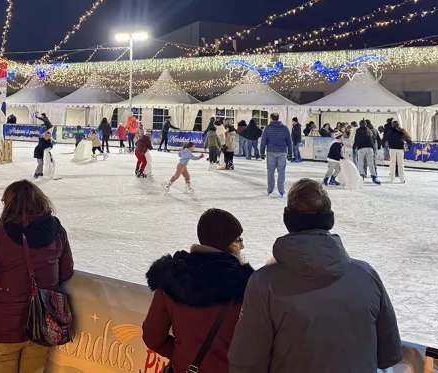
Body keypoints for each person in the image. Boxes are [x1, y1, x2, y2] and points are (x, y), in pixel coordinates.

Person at [228, 178, 402, 373]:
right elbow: (390, 354)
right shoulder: (367, 276)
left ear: (289, 219)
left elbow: (246, 363)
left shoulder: (264, 284)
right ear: (329, 219)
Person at [0, 180, 74, 373]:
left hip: (3, 328)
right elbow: (66, 271)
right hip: (42, 326)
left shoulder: (0, 237)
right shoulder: (57, 232)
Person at [143, 208, 254, 373]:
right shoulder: (245, 284)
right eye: (238, 240)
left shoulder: (171, 277)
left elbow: (152, 337)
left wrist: (182, 355)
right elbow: (256, 346)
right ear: (226, 243)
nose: (242, 246)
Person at [260, 113, 292, 197]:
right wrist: (290, 154)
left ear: (271, 118)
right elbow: (289, 142)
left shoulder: (267, 128)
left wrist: (262, 152)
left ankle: (270, 190)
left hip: (271, 152)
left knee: (270, 171)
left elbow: (263, 141)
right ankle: (281, 190)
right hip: (282, 152)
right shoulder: (285, 128)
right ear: (278, 118)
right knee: (281, 171)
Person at [353, 120, 380, 184]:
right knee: (371, 163)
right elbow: (372, 140)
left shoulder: (358, 130)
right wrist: (373, 148)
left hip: (361, 148)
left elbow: (356, 140)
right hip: (369, 148)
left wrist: (354, 148)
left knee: (360, 163)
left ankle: (362, 175)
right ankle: (374, 177)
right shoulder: (369, 130)